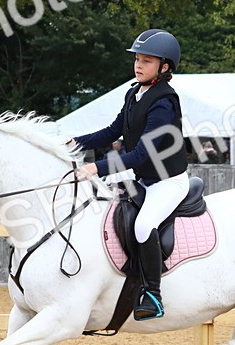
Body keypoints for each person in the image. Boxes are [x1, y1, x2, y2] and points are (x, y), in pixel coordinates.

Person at [69, 29, 188, 320]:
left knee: (144, 226)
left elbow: (140, 155)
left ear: (164, 67)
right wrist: (73, 143)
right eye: (137, 59)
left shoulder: (165, 102)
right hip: (145, 181)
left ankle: (153, 295)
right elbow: (113, 131)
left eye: (147, 61)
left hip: (168, 182)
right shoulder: (134, 93)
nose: (138, 65)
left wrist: (96, 167)